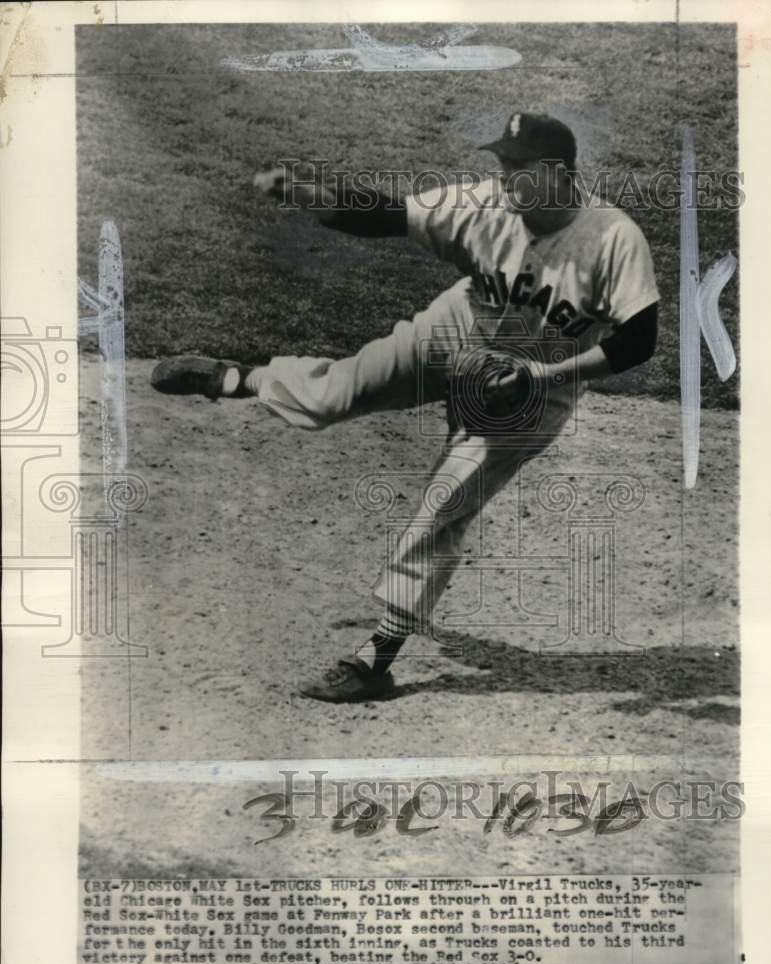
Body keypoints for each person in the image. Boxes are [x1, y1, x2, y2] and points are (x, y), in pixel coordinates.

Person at [151, 112, 659, 703]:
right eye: (501, 164)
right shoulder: (485, 206)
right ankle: (238, 379)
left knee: (444, 505)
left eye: (516, 167)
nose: (503, 177)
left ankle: (375, 662)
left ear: (556, 174)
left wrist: (541, 374)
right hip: (460, 330)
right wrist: (307, 197)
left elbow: (637, 340)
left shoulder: (612, 237)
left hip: (535, 387)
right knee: (337, 392)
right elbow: (390, 215)